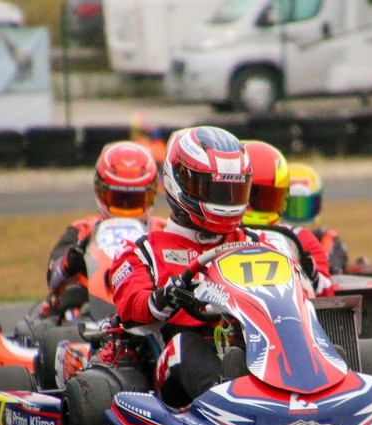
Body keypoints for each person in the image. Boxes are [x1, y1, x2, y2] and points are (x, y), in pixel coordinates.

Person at [109, 126, 262, 406]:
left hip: (252, 347)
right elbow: (131, 309)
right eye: (213, 190)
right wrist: (164, 297)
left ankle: (318, 384)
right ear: (178, 181)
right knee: (185, 345)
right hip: (175, 363)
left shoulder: (254, 243)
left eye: (232, 191)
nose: (225, 201)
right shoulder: (143, 251)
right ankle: (228, 400)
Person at [46, 141, 162, 298]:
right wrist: (70, 261)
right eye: (118, 198)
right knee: (66, 300)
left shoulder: (164, 230)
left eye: (134, 199)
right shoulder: (83, 229)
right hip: (90, 303)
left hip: (151, 302)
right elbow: (52, 275)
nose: (125, 205)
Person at [241, 141, 334, 296]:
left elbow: (328, 297)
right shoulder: (220, 235)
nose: (260, 203)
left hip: (289, 306)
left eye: (269, 197)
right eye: (252, 196)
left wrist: (313, 277)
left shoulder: (300, 238)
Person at [282, 163, 349, 274]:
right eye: (292, 206)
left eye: (304, 206)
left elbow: (330, 270)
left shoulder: (328, 240)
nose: (298, 213)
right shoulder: (268, 238)